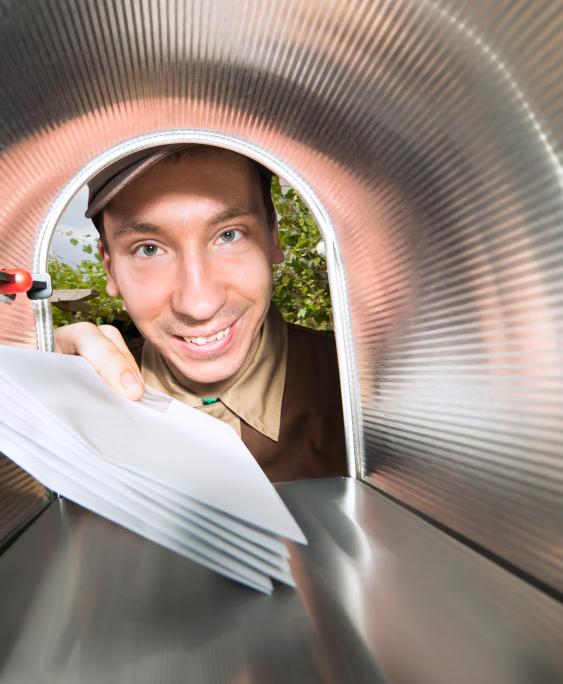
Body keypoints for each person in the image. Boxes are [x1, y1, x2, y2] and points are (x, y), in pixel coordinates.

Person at [54, 144, 347, 482]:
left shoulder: (367, 392)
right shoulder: (79, 405)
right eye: (148, 249)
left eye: (229, 235)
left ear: (272, 237)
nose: (199, 305)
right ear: (111, 269)